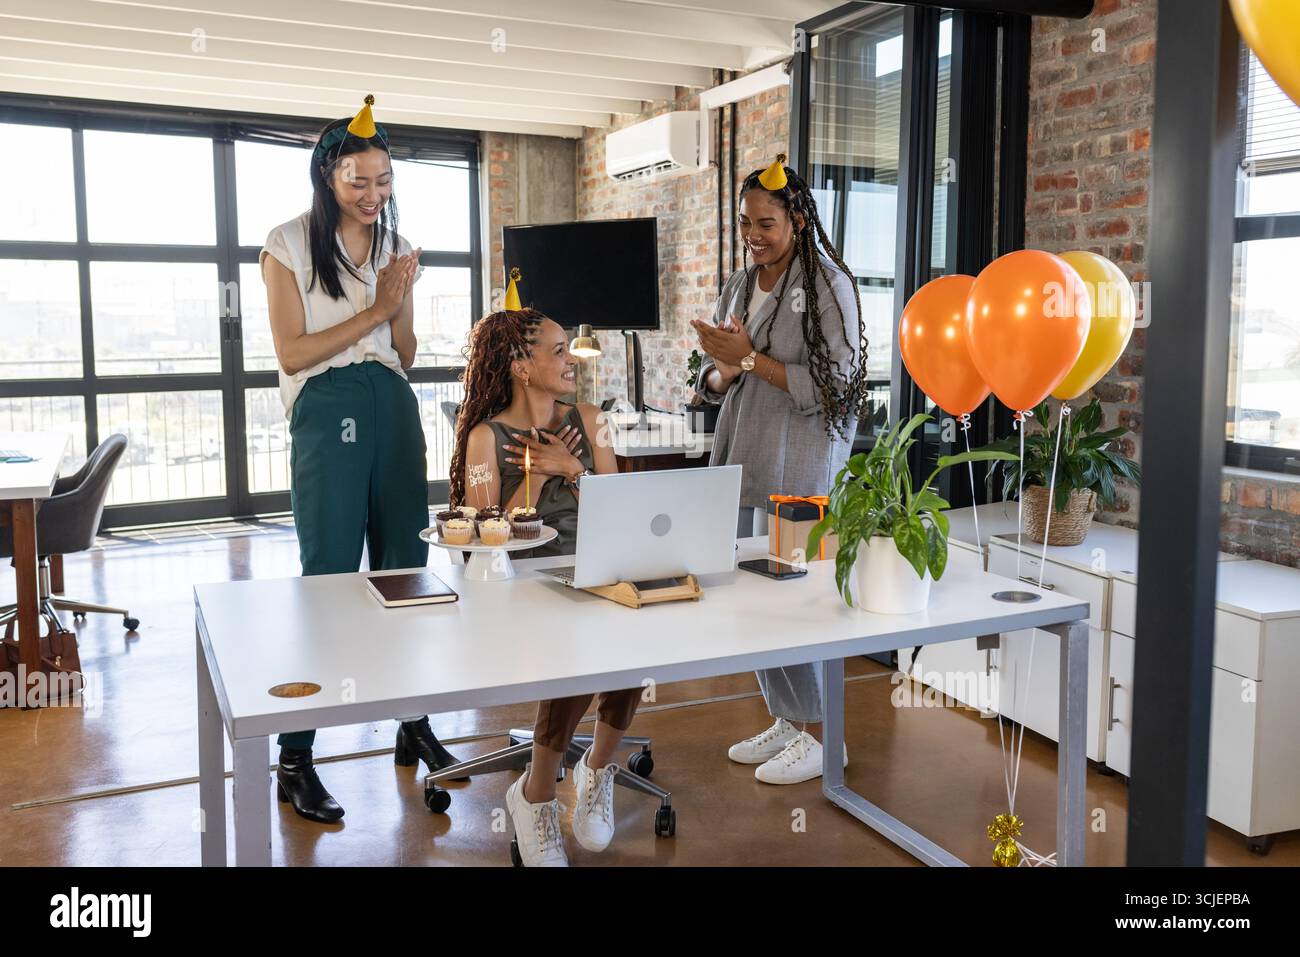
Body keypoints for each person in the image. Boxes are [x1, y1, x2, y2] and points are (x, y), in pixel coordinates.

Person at [260, 95, 462, 825]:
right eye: (359, 181)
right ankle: (295, 757)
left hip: (392, 405)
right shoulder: (284, 245)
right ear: (326, 173)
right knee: (329, 579)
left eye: (384, 181)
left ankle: (413, 721)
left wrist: (403, 298)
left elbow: (404, 354)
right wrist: (376, 308)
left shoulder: (392, 243)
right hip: (328, 409)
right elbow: (292, 352)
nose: (374, 196)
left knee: (405, 574)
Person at [689, 153, 869, 786]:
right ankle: (790, 722)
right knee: (753, 600)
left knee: (795, 604)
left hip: (801, 469)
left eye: (765, 222)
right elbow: (711, 381)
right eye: (745, 222)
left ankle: (826, 738)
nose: (753, 234)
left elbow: (840, 388)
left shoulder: (828, 286)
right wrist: (723, 368)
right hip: (741, 458)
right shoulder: (741, 285)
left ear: (796, 218)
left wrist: (753, 359)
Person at [449, 288, 631, 866]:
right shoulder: (485, 440)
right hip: (526, 584)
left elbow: (622, 512)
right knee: (576, 640)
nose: (572, 359)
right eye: (559, 351)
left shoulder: (593, 422)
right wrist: (533, 471)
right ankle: (537, 793)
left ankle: (598, 767)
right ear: (522, 367)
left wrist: (572, 468)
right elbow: (484, 540)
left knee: (635, 632)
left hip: (596, 565)